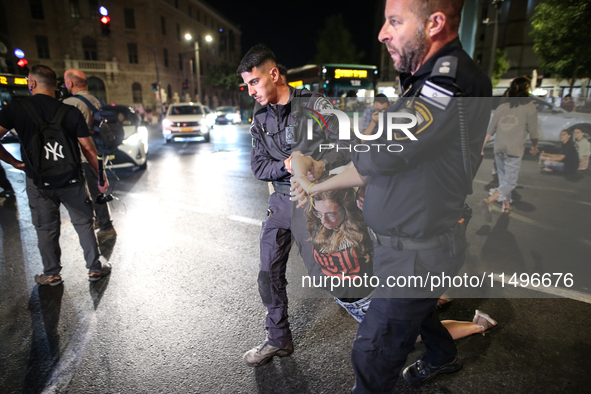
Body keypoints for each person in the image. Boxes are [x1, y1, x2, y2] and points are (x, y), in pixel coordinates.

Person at [291, 0, 492, 390]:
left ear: (434, 23)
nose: (383, 33)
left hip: (417, 253)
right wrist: (316, 181)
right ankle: (442, 356)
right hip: (401, 248)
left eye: (395, 21)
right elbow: (373, 161)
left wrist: (328, 158)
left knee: (372, 350)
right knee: (417, 313)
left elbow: (381, 152)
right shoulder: (426, 80)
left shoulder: (447, 80)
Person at [237, 45, 350, 367]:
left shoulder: (314, 104)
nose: (251, 91)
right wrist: (286, 165)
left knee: (334, 276)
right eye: (247, 85)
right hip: (280, 203)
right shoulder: (259, 117)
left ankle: (393, 326)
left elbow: (345, 147)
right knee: (268, 274)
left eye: (255, 82)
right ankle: (278, 340)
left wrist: (318, 164)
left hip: (316, 202)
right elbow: (258, 167)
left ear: (274, 74)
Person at [0, 65, 112, 286]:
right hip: (71, 178)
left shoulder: (16, 108)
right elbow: (89, 149)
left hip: (38, 180)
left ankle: (51, 274)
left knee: (46, 227)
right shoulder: (70, 111)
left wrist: (15, 163)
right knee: (83, 223)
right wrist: (101, 177)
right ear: (56, 86)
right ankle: (95, 268)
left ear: (32, 83)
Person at [63, 69, 117, 241]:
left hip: (84, 154)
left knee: (92, 190)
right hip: (99, 149)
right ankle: (100, 221)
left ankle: (105, 225)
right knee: (97, 187)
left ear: (70, 83)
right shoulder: (95, 100)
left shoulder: (70, 103)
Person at [480, 77, 539, 217]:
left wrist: (481, 147)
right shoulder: (529, 107)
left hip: (499, 148)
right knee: (510, 183)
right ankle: (489, 200)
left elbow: (490, 130)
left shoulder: (502, 107)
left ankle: (506, 206)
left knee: (503, 179)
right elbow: (534, 131)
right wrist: (535, 146)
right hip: (514, 149)